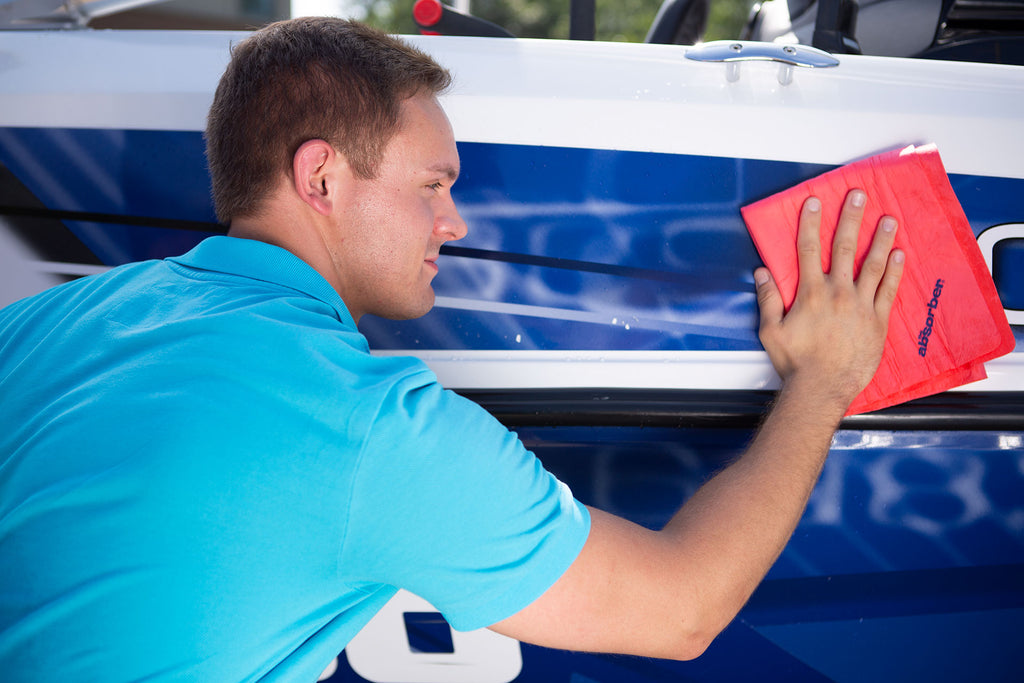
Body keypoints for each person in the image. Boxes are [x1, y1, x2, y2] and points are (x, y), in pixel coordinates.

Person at [0, 16, 904, 681]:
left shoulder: (51, 321)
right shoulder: (367, 428)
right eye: (433, 185)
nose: (456, 220)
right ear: (321, 176)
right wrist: (823, 381)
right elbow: (681, 609)